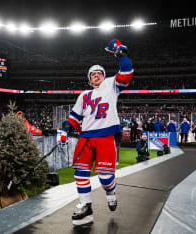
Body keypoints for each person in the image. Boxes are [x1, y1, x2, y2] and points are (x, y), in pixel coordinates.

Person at [56, 39, 133, 226]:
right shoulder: (84, 95)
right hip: (86, 137)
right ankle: (86, 209)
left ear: (103, 76)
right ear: (89, 79)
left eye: (99, 73)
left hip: (105, 136)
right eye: (93, 74)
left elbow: (127, 71)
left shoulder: (111, 85)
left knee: (105, 178)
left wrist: (120, 54)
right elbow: (74, 117)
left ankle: (111, 191)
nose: (96, 75)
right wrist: (65, 128)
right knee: (80, 174)